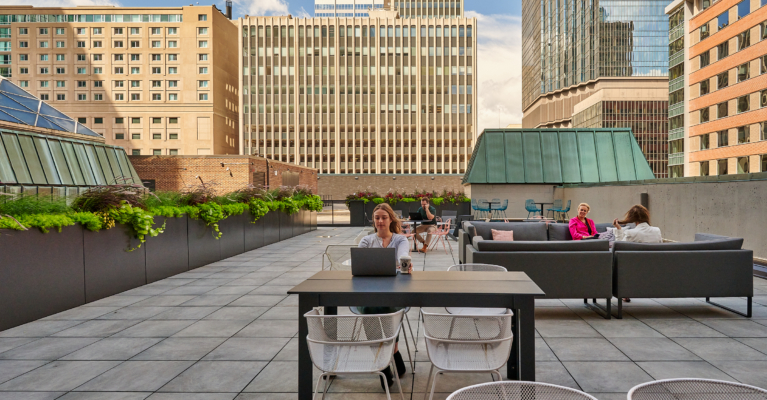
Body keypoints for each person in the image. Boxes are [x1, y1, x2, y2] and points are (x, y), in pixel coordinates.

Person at [357, 203, 412, 389]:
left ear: (390, 219)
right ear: (374, 220)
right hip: (369, 292)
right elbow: (360, 264)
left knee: (389, 307)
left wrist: (405, 263)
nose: (380, 221)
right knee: (369, 307)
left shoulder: (400, 240)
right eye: (377, 218)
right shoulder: (366, 241)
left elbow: (403, 255)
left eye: (384, 217)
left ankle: (391, 352)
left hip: (394, 291)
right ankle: (386, 358)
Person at [612, 204, 662, 303]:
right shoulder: (657, 231)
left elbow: (619, 248)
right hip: (654, 267)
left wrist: (618, 229)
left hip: (633, 269)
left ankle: (624, 292)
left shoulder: (631, 233)